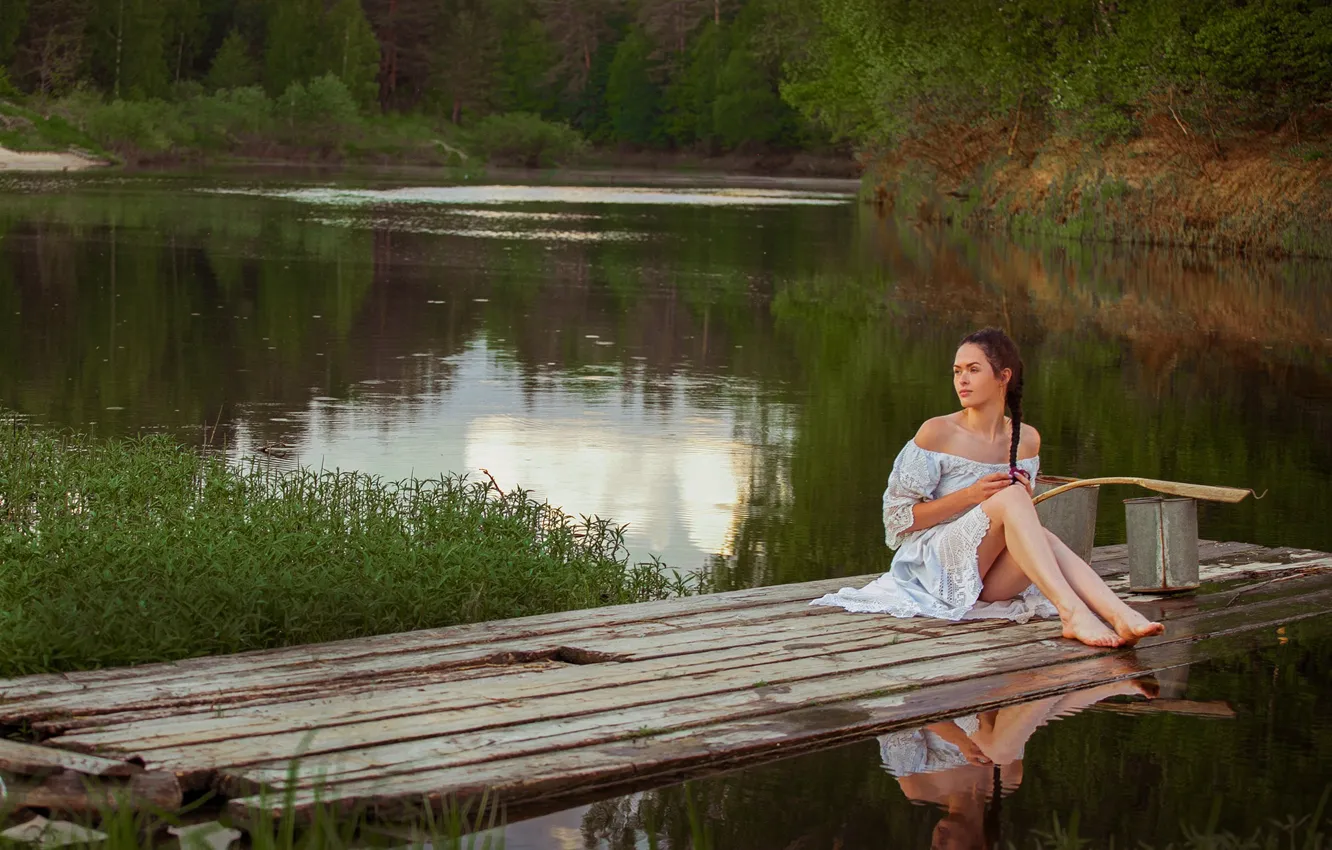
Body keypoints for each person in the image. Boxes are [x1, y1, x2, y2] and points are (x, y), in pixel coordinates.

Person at [812, 327, 1163, 647]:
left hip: (985, 579)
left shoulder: (1027, 439)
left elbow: (1017, 526)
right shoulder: (937, 433)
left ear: (1003, 377)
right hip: (931, 568)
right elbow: (897, 521)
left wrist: (1023, 499)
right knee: (1014, 503)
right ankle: (1073, 612)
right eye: (957, 371)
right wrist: (971, 496)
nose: (961, 380)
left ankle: (1119, 614)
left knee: (1042, 534)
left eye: (973, 369)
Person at [879, 676, 1160, 850]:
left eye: (932, 849)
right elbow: (1016, 720)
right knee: (1027, 727)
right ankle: (1099, 685)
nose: (936, 844)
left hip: (936, 686)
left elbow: (896, 713)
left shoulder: (918, 787)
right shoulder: (1008, 779)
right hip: (993, 693)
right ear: (981, 846)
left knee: (1002, 749)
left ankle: (1093, 685)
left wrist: (961, 740)